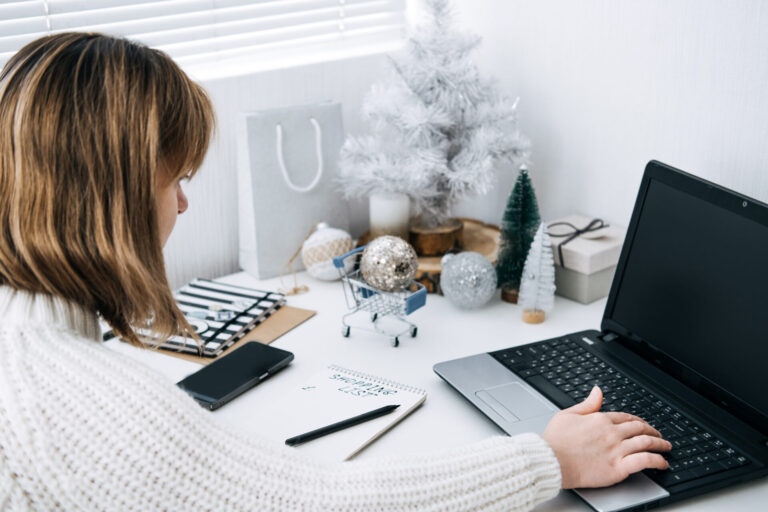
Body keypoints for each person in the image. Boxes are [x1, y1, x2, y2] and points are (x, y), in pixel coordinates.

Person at [0, 33, 670, 511]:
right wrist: (546, 459)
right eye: (174, 177)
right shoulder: (76, 405)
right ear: (106, 196)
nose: (181, 202)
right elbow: (326, 503)